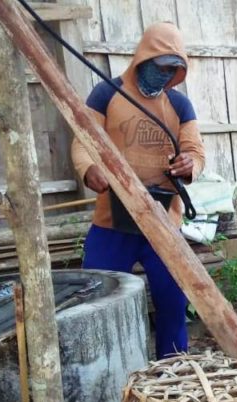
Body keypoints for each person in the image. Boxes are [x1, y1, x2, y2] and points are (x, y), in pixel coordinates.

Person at [70, 22, 205, 359]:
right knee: (97, 299)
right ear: (142, 58)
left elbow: (195, 151)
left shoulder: (179, 105)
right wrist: (89, 169)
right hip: (113, 220)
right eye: (160, 67)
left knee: (173, 300)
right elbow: (83, 140)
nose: (164, 75)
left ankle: (173, 369)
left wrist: (190, 164)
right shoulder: (106, 94)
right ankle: (106, 368)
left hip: (163, 220)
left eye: (172, 70)